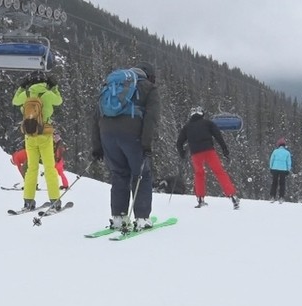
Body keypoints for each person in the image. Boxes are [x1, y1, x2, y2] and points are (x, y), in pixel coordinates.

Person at [91, 62, 160, 231]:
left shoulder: (111, 86)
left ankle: (118, 217)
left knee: (119, 174)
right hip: (132, 135)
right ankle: (142, 218)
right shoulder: (148, 88)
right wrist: (146, 144)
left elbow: (95, 116)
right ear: (149, 76)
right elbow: (151, 119)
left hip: (107, 134)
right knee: (141, 174)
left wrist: (97, 146)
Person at [12, 72, 63, 211]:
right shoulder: (47, 94)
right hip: (45, 134)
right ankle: (54, 200)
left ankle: (28, 201)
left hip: (29, 136)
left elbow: (15, 101)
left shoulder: (27, 95)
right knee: (49, 168)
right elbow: (59, 100)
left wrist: (21, 88)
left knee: (31, 169)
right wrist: (54, 87)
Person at [176, 106, 240, 209]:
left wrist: (182, 153)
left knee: (199, 174)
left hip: (195, 154)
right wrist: (225, 150)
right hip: (209, 151)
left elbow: (179, 143)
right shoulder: (208, 123)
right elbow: (218, 137)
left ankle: (200, 199)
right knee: (219, 172)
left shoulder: (187, 127)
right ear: (202, 114)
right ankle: (232, 196)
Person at [269, 138, 292, 203]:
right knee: (282, 184)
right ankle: (281, 197)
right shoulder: (287, 153)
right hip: (283, 169)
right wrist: (288, 169)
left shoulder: (275, 151)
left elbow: (271, 160)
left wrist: (271, 167)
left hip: (275, 168)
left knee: (274, 183)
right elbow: (289, 162)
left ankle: (272, 196)